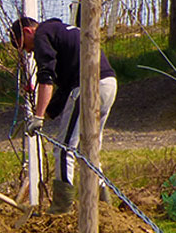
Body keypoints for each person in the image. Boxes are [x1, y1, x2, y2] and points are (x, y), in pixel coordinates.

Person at [9, 16, 117, 213]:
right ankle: (103, 203)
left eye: (25, 46)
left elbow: (46, 78)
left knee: (64, 148)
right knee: (90, 148)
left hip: (87, 86)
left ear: (27, 31)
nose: (29, 52)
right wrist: (49, 112)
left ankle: (62, 205)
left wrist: (39, 117)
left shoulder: (42, 34)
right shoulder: (60, 32)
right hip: (108, 83)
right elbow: (65, 88)